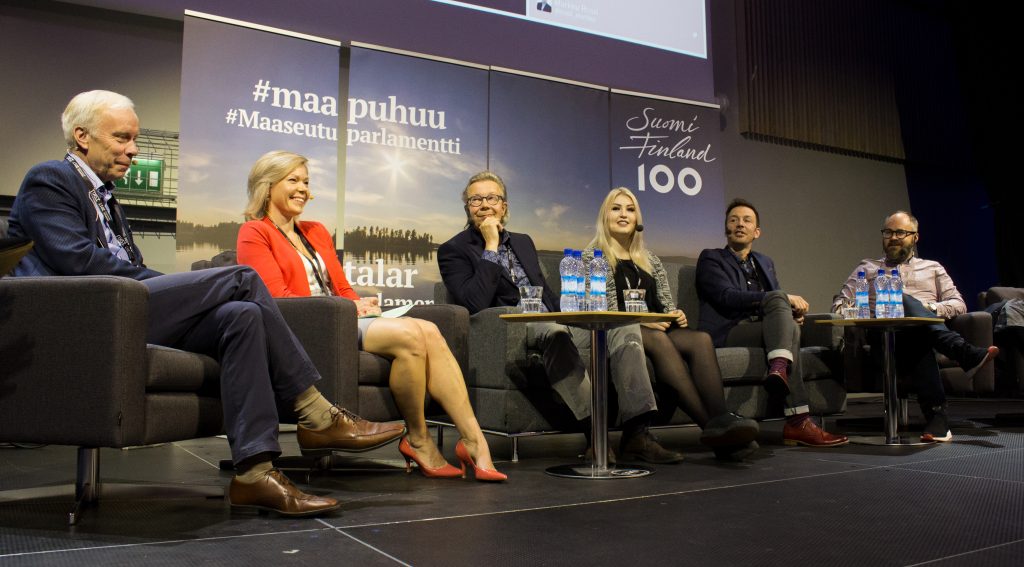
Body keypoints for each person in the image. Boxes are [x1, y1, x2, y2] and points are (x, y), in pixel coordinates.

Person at [6, 90, 406, 517]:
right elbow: (79, 261)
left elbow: (124, 265)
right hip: (87, 316)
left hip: (124, 307)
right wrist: (172, 286)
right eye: (122, 138)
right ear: (82, 136)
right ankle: (315, 411)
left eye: (134, 138)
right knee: (242, 277)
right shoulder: (50, 178)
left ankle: (255, 474)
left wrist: (173, 288)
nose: (133, 149)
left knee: (242, 315)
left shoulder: (106, 198)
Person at [236, 150, 505, 481]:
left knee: (427, 330)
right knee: (411, 334)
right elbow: (276, 299)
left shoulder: (315, 231)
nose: (303, 189)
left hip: (340, 317)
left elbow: (341, 287)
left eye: (306, 181)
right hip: (308, 326)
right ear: (268, 185)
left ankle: (471, 440)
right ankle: (422, 441)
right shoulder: (254, 232)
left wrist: (359, 304)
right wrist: (345, 309)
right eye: (293, 180)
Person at [438, 171, 684, 463]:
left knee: (624, 328)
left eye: (492, 198)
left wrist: (577, 316)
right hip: (514, 326)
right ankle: (595, 435)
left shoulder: (523, 241)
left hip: (552, 318)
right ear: (467, 208)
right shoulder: (453, 250)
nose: (484, 205)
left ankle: (637, 434)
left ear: (504, 206)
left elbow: (546, 292)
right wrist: (490, 246)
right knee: (553, 331)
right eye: (476, 200)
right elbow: (474, 303)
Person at [584, 188, 760, 460]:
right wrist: (645, 321)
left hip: (656, 327)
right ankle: (713, 430)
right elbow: (601, 308)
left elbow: (665, 303)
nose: (623, 214)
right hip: (618, 329)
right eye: (616, 208)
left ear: (637, 218)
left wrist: (674, 314)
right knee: (658, 338)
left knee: (700, 339)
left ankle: (722, 419)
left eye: (630, 209)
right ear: (604, 216)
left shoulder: (649, 258)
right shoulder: (592, 257)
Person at [832, 211, 998, 441]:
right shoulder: (866, 268)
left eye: (900, 232)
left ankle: (937, 419)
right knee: (900, 298)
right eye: (888, 232)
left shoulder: (933, 268)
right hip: (884, 339)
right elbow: (839, 304)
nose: (893, 237)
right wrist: (872, 312)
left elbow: (958, 304)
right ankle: (961, 354)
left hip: (921, 337)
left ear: (915, 237)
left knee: (916, 332)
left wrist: (927, 309)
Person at [696, 199, 848, 447]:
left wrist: (789, 315)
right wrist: (782, 301)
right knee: (781, 305)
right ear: (726, 228)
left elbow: (776, 305)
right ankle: (792, 406)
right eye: (733, 220)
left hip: (763, 328)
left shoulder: (764, 262)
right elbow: (726, 297)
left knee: (790, 325)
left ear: (756, 232)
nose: (739, 224)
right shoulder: (711, 258)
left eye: (746, 220)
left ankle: (786, 389)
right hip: (729, 330)